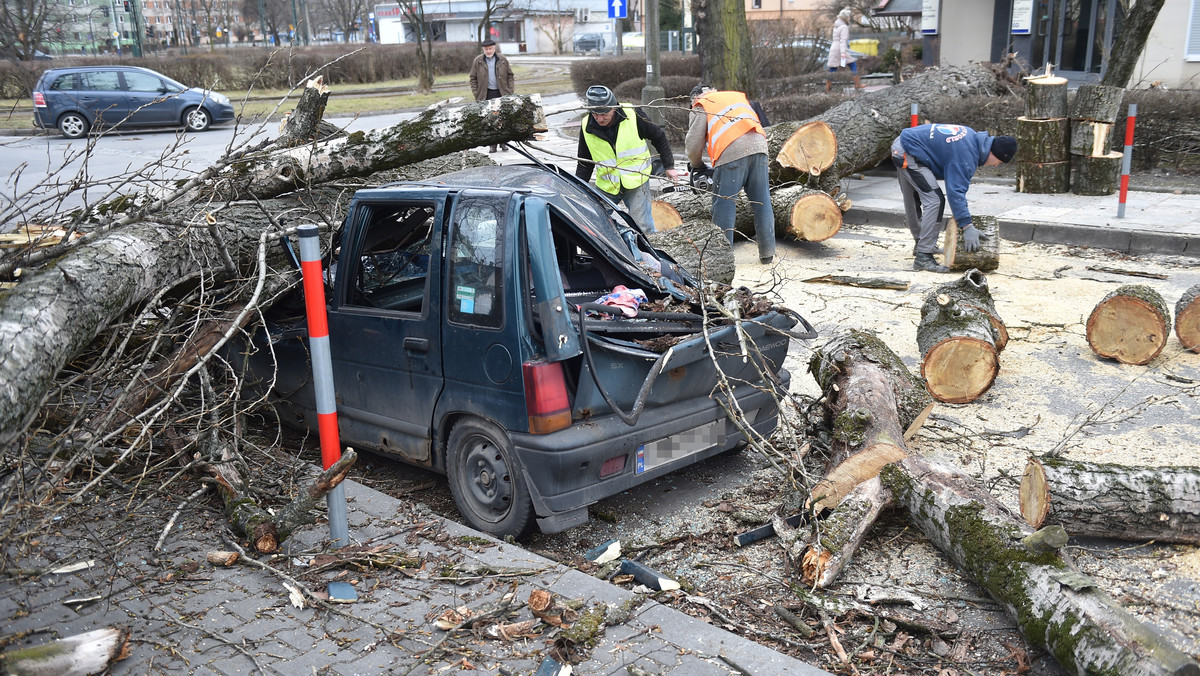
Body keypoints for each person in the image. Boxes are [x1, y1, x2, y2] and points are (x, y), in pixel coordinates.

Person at [891, 123, 1018, 272]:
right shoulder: (966, 156)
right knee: (935, 200)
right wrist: (967, 226)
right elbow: (955, 192)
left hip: (903, 143)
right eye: (1000, 162)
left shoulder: (972, 137)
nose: (996, 166)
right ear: (994, 153)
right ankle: (923, 256)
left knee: (913, 196)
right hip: (908, 151)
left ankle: (921, 245)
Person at [685, 84, 776, 264]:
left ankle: (722, 258)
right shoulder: (735, 97)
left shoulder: (702, 104)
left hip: (731, 151)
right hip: (759, 147)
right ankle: (767, 253)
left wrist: (696, 166)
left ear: (694, 99)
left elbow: (693, 145)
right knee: (762, 202)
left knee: (724, 205)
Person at [575, 85, 684, 233]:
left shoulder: (633, 115)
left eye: (604, 113)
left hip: (636, 181)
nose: (599, 118)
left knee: (643, 227)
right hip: (607, 185)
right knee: (594, 222)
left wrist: (669, 166)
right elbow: (584, 163)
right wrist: (576, 187)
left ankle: (650, 255)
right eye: (595, 114)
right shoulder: (586, 126)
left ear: (614, 107)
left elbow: (658, 136)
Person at [469, 38, 514, 153]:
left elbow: (510, 76)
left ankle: (503, 143)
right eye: (486, 49)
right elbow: (472, 78)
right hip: (486, 94)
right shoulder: (478, 61)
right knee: (489, 120)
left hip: (501, 93)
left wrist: (510, 91)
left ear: (494, 48)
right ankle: (492, 145)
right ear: (483, 49)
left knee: (503, 118)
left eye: (490, 49)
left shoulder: (502, 59)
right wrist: (476, 93)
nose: (488, 51)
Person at [826, 8, 861, 93]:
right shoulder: (844, 27)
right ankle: (857, 84)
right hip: (840, 49)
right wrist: (843, 53)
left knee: (833, 68)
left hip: (834, 48)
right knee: (853, 64)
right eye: (848, 17)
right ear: (845, 18)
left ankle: (827, 87)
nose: (849, 18)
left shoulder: (836, 26)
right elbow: (843, 40)